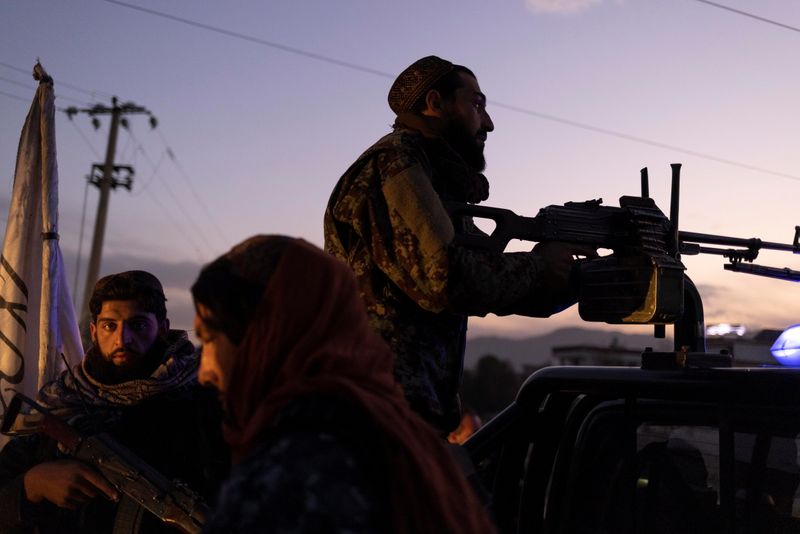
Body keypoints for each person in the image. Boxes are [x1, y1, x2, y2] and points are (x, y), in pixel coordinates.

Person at [324, 55, 595, 434]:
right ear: (435, 104)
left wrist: (584, 276)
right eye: (477, 104)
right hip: (372, 419)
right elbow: (448, 278)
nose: (488, 122)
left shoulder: (436, 183)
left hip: (404, 420)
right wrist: (537, 265)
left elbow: (496, 287)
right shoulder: (393, 166)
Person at [191, 235, 496, 534]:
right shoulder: (405, 436)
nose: (204, 371)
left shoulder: (288, 480)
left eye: (209, 339)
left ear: (264, 335)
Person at [0, 270, 228, 534]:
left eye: (138, 325)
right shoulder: (62, 404)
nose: (122, 339)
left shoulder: (206, 405)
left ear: (163, 329)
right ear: (94, 332)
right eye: (110, 325)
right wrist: (32, 485)